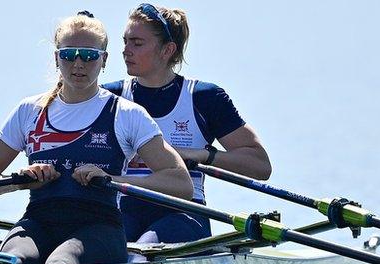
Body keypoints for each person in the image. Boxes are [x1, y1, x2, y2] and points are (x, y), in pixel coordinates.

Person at [0, 12, 193, 264]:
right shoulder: (29, 111)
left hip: (99, 228)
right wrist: (18, 181)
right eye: (69, 55)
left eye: (89, 55)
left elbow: (180, 183)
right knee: (13, 261)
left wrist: (111, 179)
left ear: (104, 60)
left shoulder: (127, 114)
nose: (79, 64)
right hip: (37, 222)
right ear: (56, 58)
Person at [102, 4, 272, 248]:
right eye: (125, 41)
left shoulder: (204, 98)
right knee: (113, 242)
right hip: (124, 210)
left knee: (145, 247)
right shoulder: (110, 98)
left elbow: (259, 165)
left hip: (184, 212)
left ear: (167, 50)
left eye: (137, 43)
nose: (125, 50)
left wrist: (202, 155)